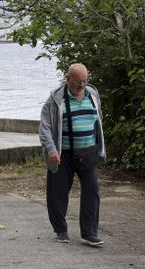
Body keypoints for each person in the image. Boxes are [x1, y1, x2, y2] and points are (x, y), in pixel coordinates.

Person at [39, 63, 106, 246]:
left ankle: (89, 233)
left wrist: (100, 148)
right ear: (68, 79)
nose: (82, 85)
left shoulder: (93, 95)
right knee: (57, 193)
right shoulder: (56, 99)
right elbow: (45, 127)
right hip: (64, 154)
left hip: (88, 152)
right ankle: (61, 230)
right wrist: (52, 150)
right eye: (77, 81)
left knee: (92, 191)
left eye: (85, 81)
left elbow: (97, 121)